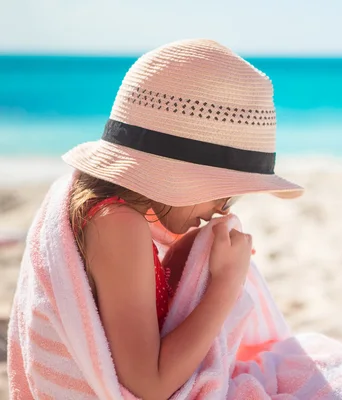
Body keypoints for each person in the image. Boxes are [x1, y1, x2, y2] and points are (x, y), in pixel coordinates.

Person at [60, 39, 303, 399]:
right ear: (185, 174)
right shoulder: (117, 222)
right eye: (225, 191)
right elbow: (150, 384)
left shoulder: (109, 210)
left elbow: (134, 305)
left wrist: (187, 254)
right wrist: (226, 284)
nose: (223, 209)